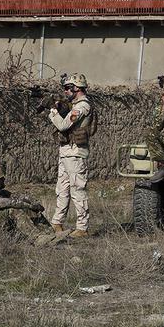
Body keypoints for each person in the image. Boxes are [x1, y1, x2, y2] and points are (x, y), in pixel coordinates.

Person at [47, 73, 94, 238]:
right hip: (66, 151)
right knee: (62, 189)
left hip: (75, 153)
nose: (65, 91)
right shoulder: (74, 104)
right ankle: (57, 222)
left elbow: (63, 125)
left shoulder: (82, 106)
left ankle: (82, 227)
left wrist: (53, 112)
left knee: (77, 189)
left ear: (77, 88)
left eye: (68, 88)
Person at [0, 164, 59, 245]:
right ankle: (37, 238)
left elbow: (18, 197)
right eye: (1, 179)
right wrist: (30, 205)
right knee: (13, 209)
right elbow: (9, 202)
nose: (4, 180)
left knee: (28, 208)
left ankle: (50, 233)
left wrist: (33, 203)